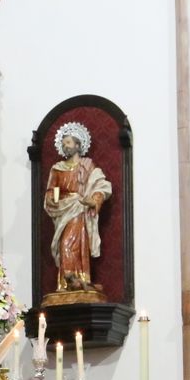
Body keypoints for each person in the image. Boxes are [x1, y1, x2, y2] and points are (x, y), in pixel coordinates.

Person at [42, 122, 112, 296]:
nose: (65, 146)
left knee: (75, 245)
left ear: (78, 145)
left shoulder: (88, 167)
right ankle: (67, 282)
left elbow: (101, 186)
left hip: (80, 211)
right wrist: (53, 200)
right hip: (64, 211)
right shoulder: (57, 169)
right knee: (65, 244)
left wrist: (93, 200)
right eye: (63, 143)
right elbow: (51, 191)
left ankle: (79, 280)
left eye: (68, 143)